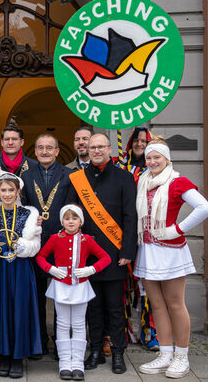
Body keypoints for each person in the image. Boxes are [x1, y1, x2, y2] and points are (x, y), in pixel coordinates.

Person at [134, 138, 208, 378]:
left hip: (170, 251)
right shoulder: (142, 181)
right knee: (156, 304)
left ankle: (182, 356)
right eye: (148, 157)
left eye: (157, 157)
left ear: (166, 158)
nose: (152, 161)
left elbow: (204, 208)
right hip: (147, 249)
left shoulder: (178, 181)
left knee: (175, 304)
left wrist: (177, 229)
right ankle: (165, 353)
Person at [67, 133, 138, 374]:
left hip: (114, 254)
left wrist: (128, 250)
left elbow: (130, 217)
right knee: (92, 307)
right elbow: (71, 215)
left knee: (115, 308)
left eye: (100, 147)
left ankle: (118, 352)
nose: (96, 150)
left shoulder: (124, 177)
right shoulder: (78, 179)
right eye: (92, 147)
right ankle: (95, 349)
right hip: (85, 256)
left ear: (109, 149)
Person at [36, 204, 111, 380]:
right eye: (67, 218)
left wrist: (90, 270)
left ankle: (77, 363)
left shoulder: (87, 240)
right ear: (62, 220)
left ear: (81, 221)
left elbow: (106, 258)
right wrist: (51, 269)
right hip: (61, 286)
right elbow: (40, 257)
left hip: (80, 286)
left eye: (74, 218)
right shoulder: (55, 238)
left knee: (78, 324)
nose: (70, 222)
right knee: (62, 324)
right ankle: (64, 363)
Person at [0, 173, 42, 378]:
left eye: (10, 190)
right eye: (3, 190)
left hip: (20, 267)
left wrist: (27, 246)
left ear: (18, 192)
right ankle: (3, 355)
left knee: (19, 309)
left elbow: (36, 243)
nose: (7, 194)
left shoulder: (30, 214)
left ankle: (17, 357)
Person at [21, 133, 73, 357]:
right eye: (40, 148)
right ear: (35, 150)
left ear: (57, 151)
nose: (44, 151)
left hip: (61, 242)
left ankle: (62, 343)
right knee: (38, 295)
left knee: (62, 297)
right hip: (37, 244)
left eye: (49, 148)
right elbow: (22, 208)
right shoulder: (26, 175)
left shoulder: (69, 175)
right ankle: (39, 341)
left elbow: (73, 208)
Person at [115, 127, 157, 352]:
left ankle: (150, 331)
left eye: (145, 141)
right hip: (121, 231)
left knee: (147, 285)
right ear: (130, 142)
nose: (140, 144)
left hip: (146, 234)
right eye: (137, 140)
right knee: (123, 284)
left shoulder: (156, 170)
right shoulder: (119, 164)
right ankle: (123, 329)